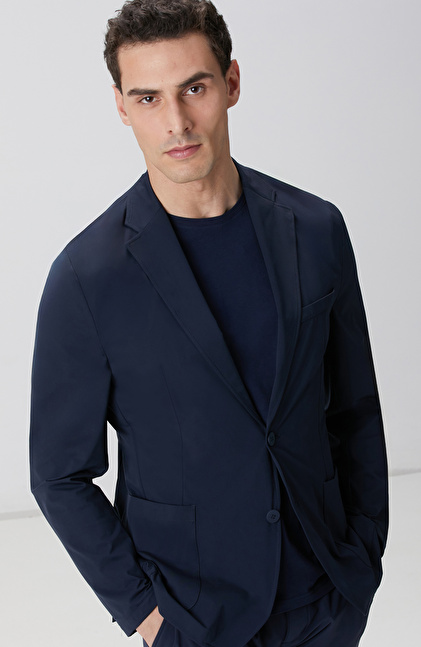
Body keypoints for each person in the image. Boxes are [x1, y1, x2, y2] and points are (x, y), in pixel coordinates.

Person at [29, 1, 388, 646]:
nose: (176, 122)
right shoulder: (86, 277)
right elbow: (59, 475)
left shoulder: (316, 230)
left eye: (194, 88)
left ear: (232, 83)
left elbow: (355, 408)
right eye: (147, 98)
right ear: (121, 107)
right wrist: (144, 612)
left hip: (328, 601)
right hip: (195, 619)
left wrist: (363, 553)